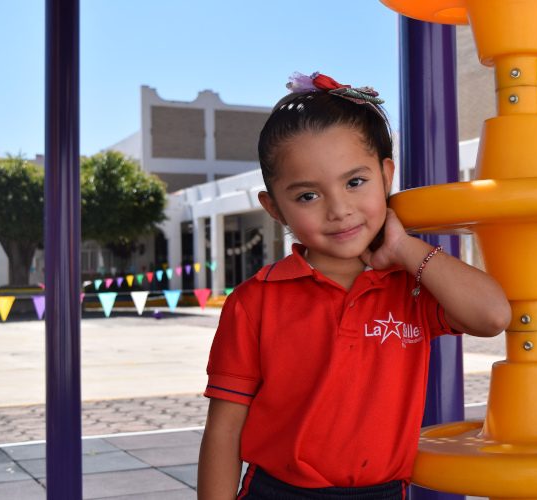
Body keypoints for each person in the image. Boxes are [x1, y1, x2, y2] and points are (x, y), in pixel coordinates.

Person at [197, 72, 511, 500]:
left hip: (382, 492)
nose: (339, 209)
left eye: (355, 182)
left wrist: (405, 248)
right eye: (308, 196)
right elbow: (224, 428)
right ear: (274, 208)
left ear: (386, 175)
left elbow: (493, 315)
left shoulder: (411, 287)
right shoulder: (254, 302)